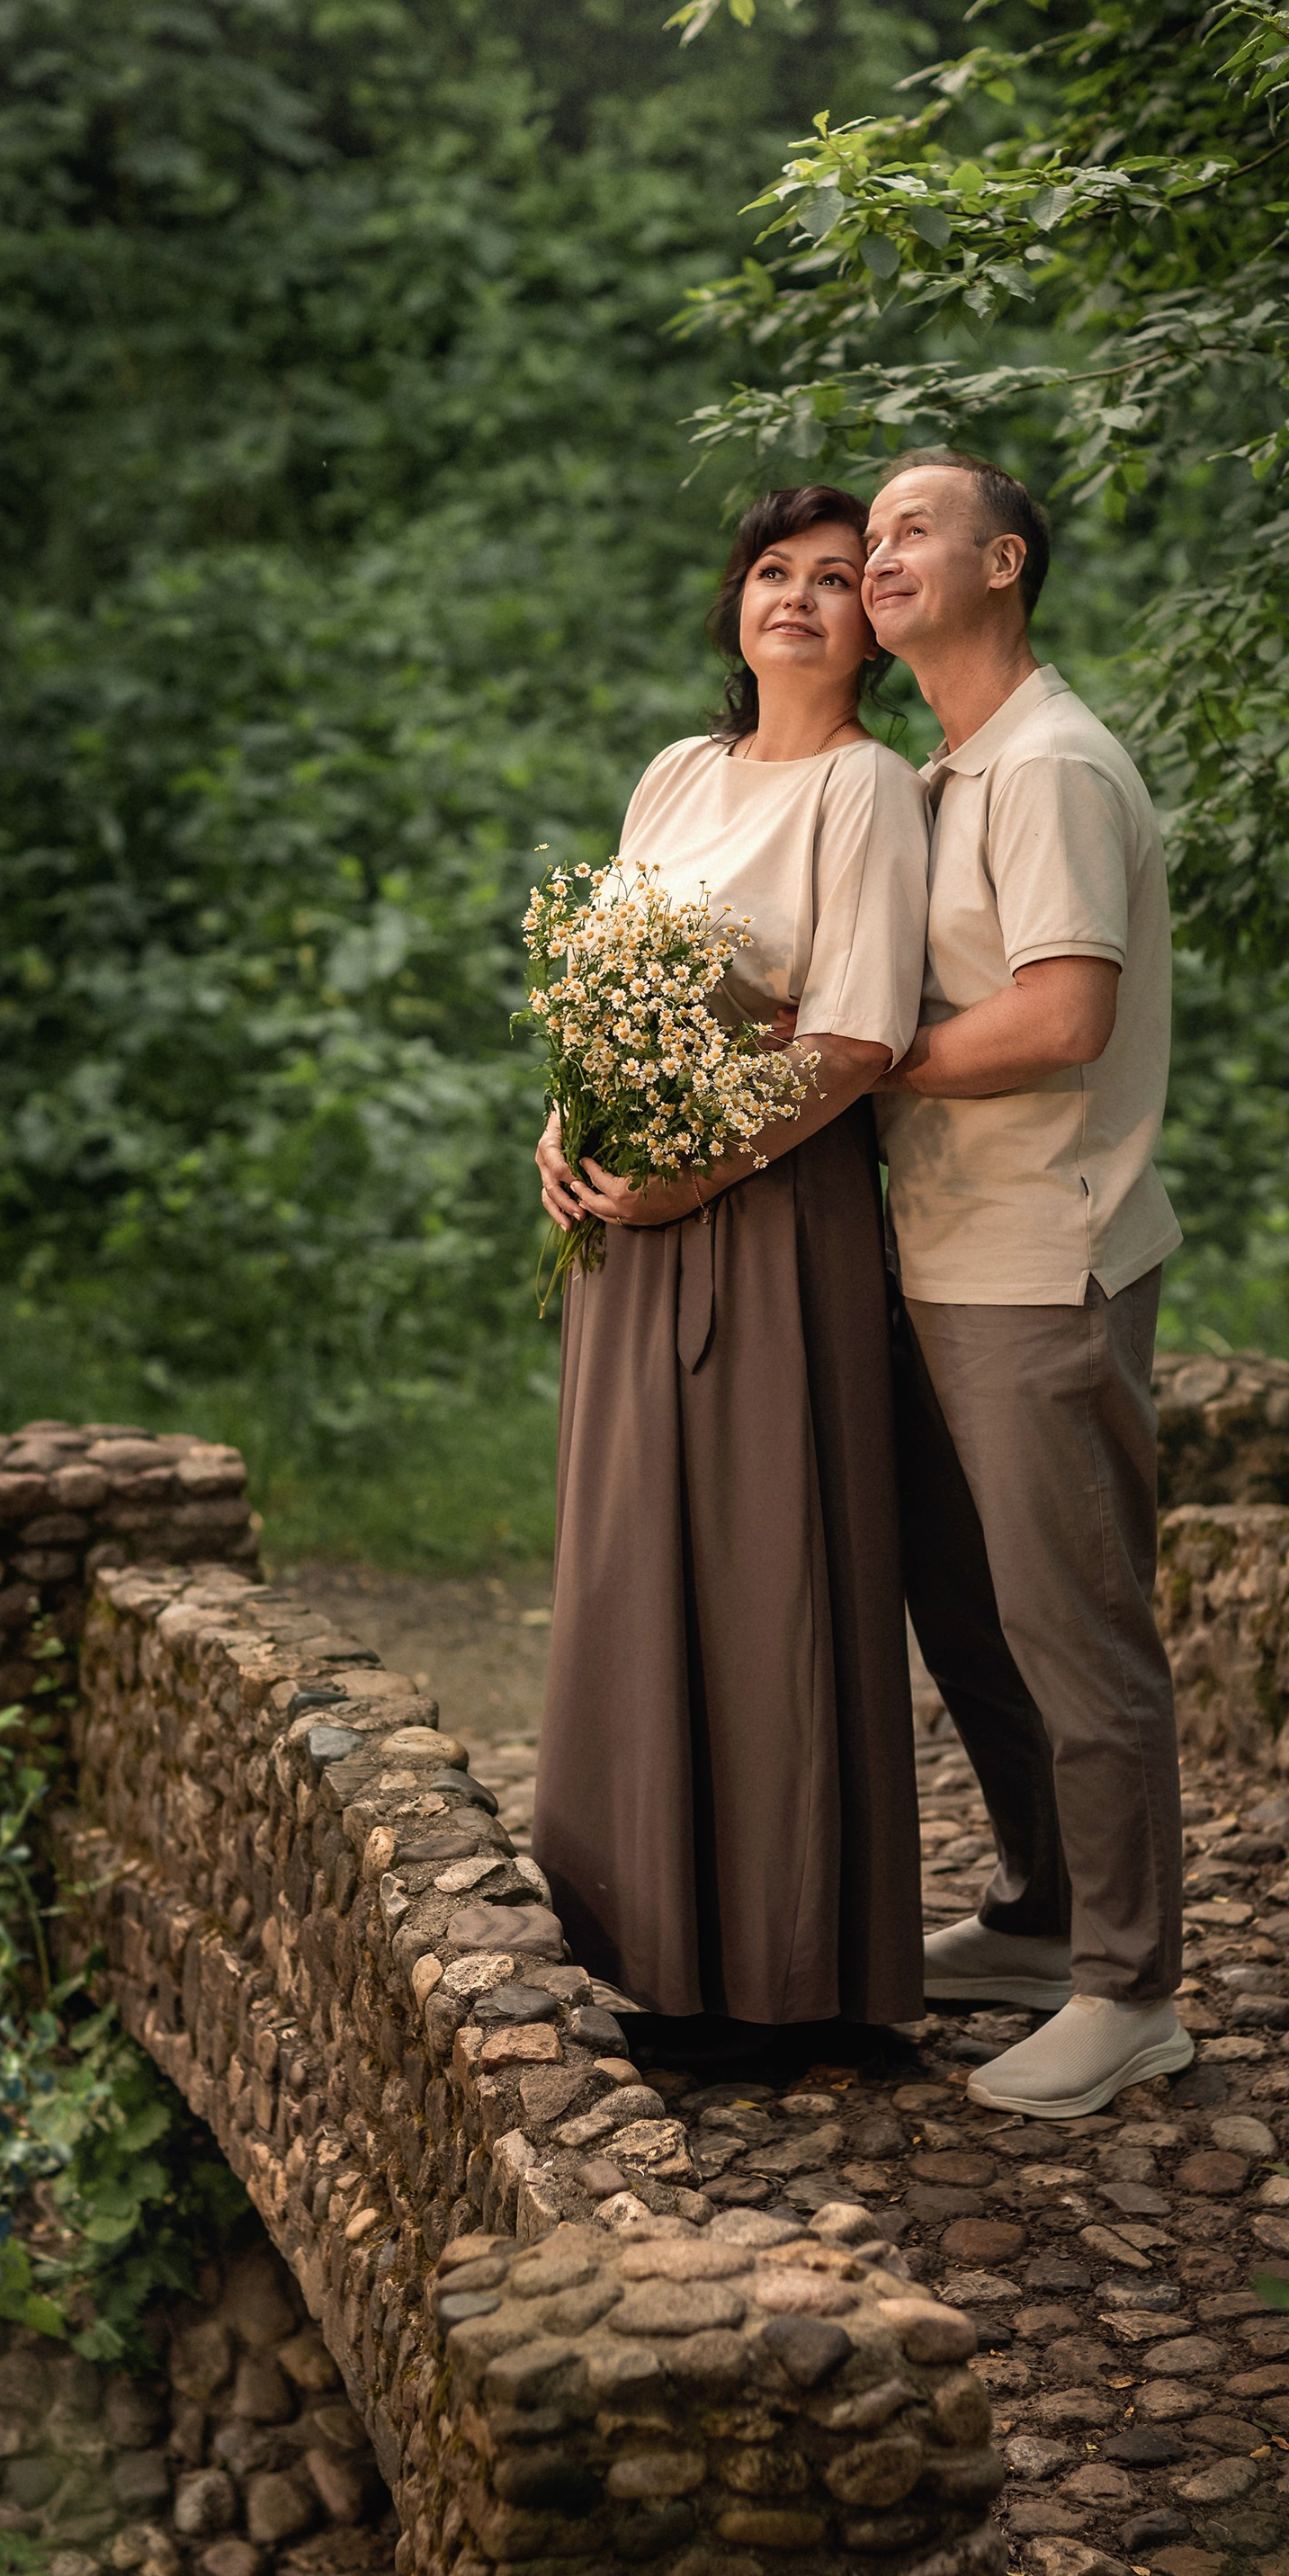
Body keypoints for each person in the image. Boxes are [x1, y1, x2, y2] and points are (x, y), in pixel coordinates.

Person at [529, 485, 931, 2062]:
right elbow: (606, 981)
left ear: (872, 630)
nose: (803, 597)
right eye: (776, 571)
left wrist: (700, 1161)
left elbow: (855, 1034)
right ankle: (642, 1946)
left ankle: (783, 1976)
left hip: (770, 1213)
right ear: (737, 603)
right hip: (626, 1222)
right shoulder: (677, 772)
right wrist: (567, 1124)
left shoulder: (868, 788)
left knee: (770, 1565)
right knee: (633, 1559)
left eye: (840, 580)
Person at [863, 447, 1192, 2119]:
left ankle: (1134, 1991)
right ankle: (1046, 1909)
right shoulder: (946, 772)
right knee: (966, 1608)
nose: (879, 553)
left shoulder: (1054, 764)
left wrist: (862, 1064)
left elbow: (1061, 1018)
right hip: (939, 1259)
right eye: (868, 536)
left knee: (1076, 1631)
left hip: (1040, 1262)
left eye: (916, 527)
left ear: (1006, 564)